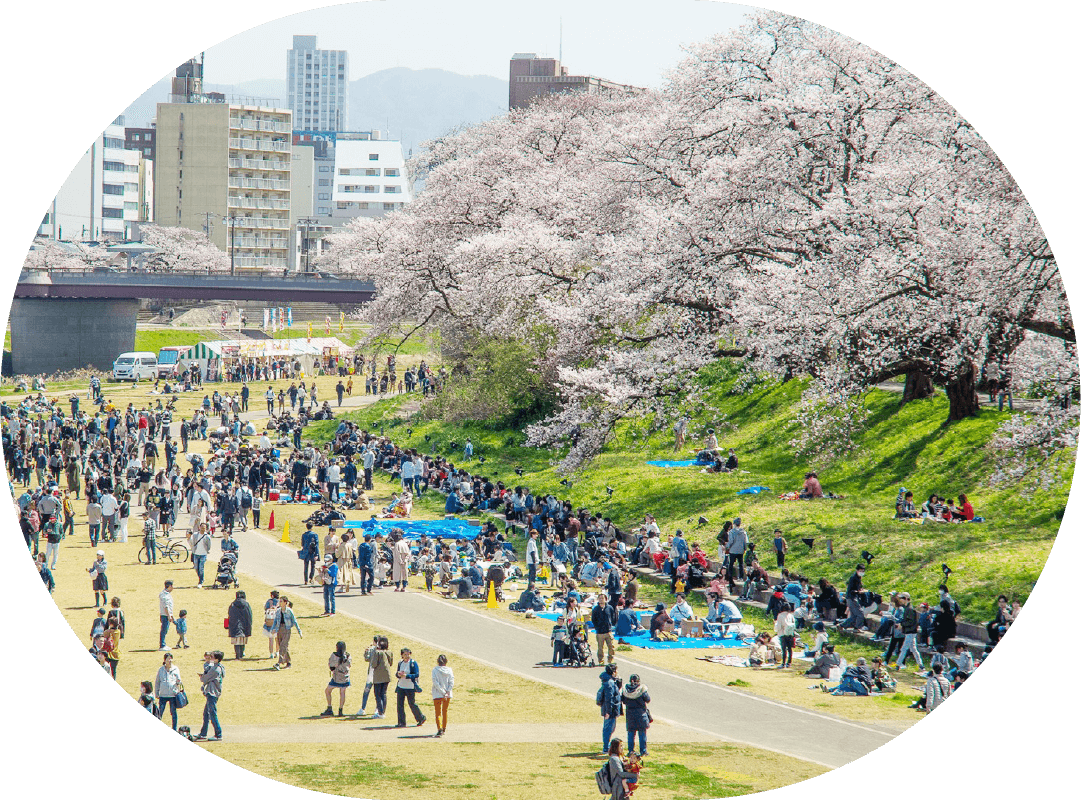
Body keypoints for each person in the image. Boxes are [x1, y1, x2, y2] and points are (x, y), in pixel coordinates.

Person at [193, 650, 225, 741]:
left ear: (217, 659)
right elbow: (207, 668)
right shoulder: (217, 666)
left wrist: (202, 677)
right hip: (212, 692)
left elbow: (205, 678)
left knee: (212, 713)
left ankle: (218, 734)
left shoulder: (216, 669)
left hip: (212, 693)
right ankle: (203, 733)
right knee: (206, 714)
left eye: (212, 657)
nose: (210, 658)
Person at [393, 647, 426, 728]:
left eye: (408, 654)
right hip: (401, 686)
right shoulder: (400, 663)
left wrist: (407, 676)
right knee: (400, 705)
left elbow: (416, 674)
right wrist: (398, 674)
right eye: (405, 654)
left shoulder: (413, 663)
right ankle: (401, 722)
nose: (407, 656)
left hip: (410, 687)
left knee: (412, 703)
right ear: (402, 656)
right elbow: (397, 674)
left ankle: (421, 717)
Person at [621, 674, 651, 756]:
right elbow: (648, 699)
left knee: (631, 734)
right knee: (642, 734)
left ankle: (631, 751)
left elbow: (623, 700)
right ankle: (643, 751)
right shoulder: (641, 689)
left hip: (630, 714)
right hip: (641, 714)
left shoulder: (625, 690)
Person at [271, 596, 303, 670]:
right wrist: (273, 629)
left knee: (283, 646)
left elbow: (294, 621)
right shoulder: (278, 611)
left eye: (281, 601)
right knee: (283, 646)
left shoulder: (289, 611)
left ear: (285, 603)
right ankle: (288, 662)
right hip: (279, 629)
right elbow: (275, 621)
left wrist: (299, 631)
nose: (280, 603)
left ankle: (278, 663)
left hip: (287, 629)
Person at [155, 652, 183, 730]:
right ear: (165, 660)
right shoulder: (161, 669)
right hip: (163, 694)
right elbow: (157, 682)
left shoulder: (175, 669)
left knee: (173, 713)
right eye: (168, 659)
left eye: (171, 658)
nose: (170, 660)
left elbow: (179, 681)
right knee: (160, 712)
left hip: (172, 694)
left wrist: (178, 681)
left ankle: (174, 728)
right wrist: (156, 693)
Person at [367, 636, 394, 720]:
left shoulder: (377, 652)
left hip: (378, 676)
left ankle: (380, 712)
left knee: (378, 694)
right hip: (387, 675)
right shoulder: (389, 652)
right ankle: (383, 712)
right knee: (384, 694)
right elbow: (391, 663)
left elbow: (374, 664)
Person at [598, 664, 622, 754]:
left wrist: (619, 680)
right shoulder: (609, 683)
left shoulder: (611, 681)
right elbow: (609, 699)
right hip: (610, 710)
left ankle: (606, 746)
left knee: (610, 728)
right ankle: (606, 747)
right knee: (608, 728)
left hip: (611, 709)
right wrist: (608, 712)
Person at [323, 641, 351, 718]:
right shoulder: (348, 655)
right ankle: (340, 710)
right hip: (345, 678)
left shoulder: (334, 655)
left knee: (327, 691)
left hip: (336, 678)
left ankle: (329, 708)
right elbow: (349, 665)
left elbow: (331, 667)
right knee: (342, 693)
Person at [431, 654, 454, 737]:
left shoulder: (435, 670)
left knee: (438, 712)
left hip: (437, 694)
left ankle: (439, 729)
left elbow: (435, 682)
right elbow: (451, 682)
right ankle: (444, 728)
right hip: (447, 695)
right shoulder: (449, 670)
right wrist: (447, 692)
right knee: (445, 711)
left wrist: (442, 691)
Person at [592, 593, 618, 666]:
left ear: (606, 599)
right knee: (600, 648)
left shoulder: (609, 608)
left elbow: (613, 617)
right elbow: (593, 619)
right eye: (600, 598)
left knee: (611, 647)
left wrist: (611, 625)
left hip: (608, 631)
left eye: (602, 598)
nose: (601, 600)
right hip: (600, 632)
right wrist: (597, 627)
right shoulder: (596, 609)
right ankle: (601, 660)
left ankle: (610, 660)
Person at [228, 591, 253, 660]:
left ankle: (237, 655)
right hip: (244, 624)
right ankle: (241, 654)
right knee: (243, 639)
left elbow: (230, 614)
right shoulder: (246, 604)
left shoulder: (233, 604)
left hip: (234, 624)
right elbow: (249, 615)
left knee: (236, 640)